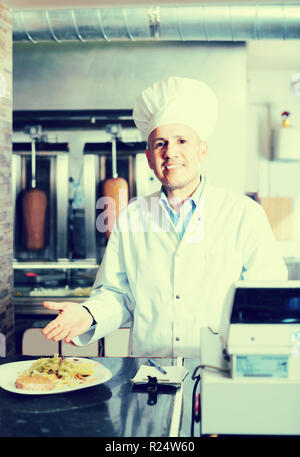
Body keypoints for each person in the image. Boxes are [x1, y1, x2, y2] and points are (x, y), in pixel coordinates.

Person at [42, 76, 288, 357]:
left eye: (182, 140)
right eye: (160, 144)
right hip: (150, 377)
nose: (170, 152)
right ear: (149, 157)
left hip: (220, 371)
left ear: (202, 150)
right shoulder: (131, 217)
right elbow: (117, 294)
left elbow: (268, 297)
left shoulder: (244, 214)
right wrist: (88, 314)